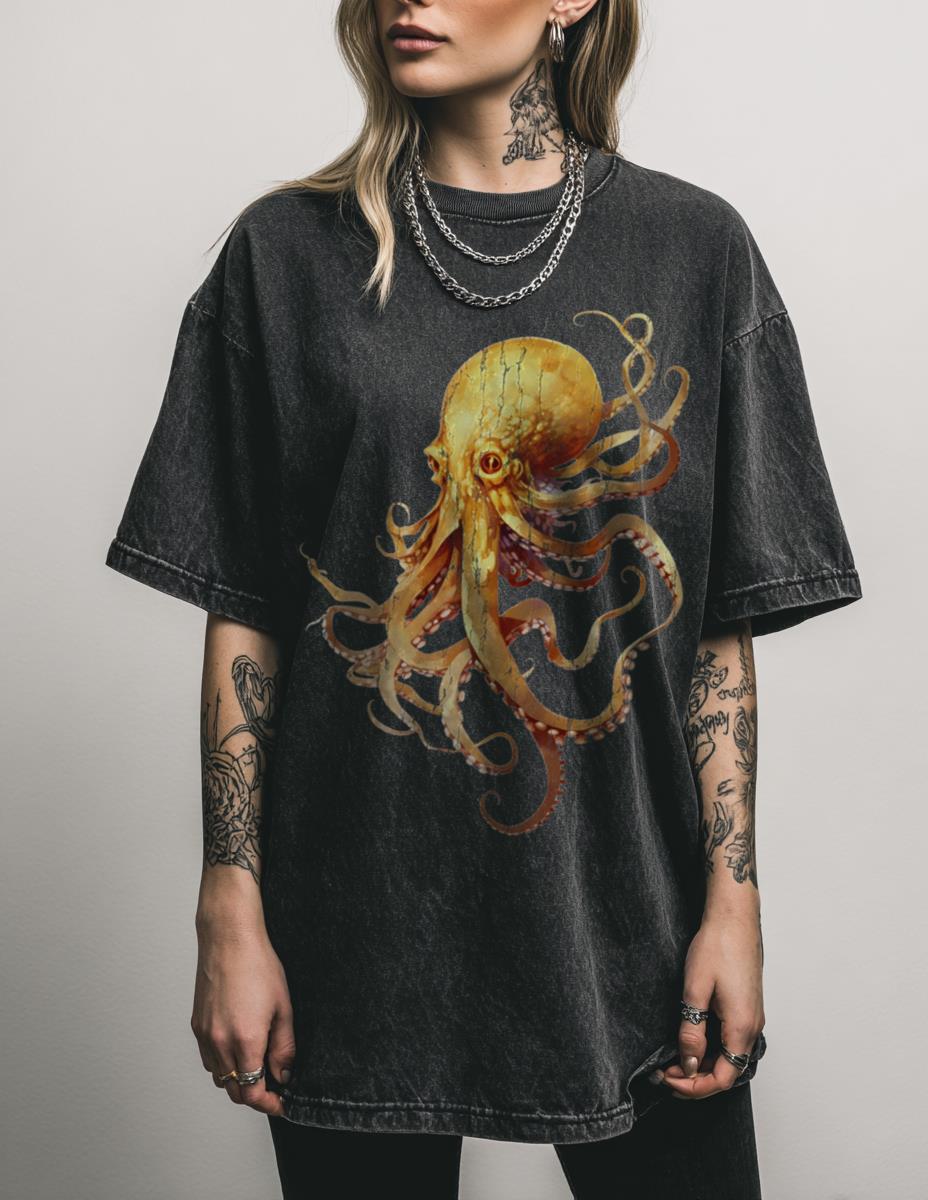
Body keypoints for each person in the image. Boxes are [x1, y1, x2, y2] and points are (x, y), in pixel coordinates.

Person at [104, 1, 863, 1196]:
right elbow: (244, 607)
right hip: (352, 927)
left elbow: (716, 634)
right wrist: (229, 905)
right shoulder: (284, 256)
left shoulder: (696, 250)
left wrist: (734, 901)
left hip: (632, 922)